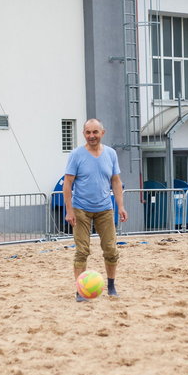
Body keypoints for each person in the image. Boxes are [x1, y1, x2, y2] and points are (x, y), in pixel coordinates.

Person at [63, 118, 128, 301]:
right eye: (88, 132)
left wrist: (120, 206)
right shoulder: (76, 155)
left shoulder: (111, 154)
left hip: (105, 209)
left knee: (110, 249)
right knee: (82, 251)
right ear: (84, 134)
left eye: (95, 132)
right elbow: (68, 184)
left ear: (102, 133)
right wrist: (69, 210)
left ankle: (111, 286)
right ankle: (80, 291)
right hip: (80, 209)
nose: (92, 136)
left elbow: (116, 181)